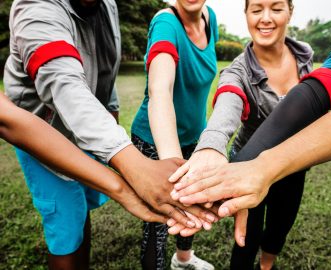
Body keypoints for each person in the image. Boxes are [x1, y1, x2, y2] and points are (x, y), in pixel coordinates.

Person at [4, 0, 217, 268]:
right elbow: (65, 86)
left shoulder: (107, 5)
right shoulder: (36, 7)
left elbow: (105, 68)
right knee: (67, 226)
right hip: (42, 132)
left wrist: (112, 115)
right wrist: (131, 162)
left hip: (90, 130)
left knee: (80, 211)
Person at [170, 18, 331, 270]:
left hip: (292, 166)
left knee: (280, 225)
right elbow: (229, 99)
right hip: (249, 167)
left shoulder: (304, 55)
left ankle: (266, 266)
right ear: (246, 15)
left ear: (290, 12)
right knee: (247, 235)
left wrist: (259, 166)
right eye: (257, 8)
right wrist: (212, 148)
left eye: (276, 7)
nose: (266, 17)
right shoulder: (238, 68)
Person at [130, 1, 218, 269]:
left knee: (191, 208)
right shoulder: (166, 24)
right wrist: (172, 162)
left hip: (193, 139)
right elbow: (160, 89)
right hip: (156, 142)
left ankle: (183, 260)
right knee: (159, 222)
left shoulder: (209, 17)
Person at [0, 92, 166, 223]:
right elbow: (7, 118)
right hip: (39, 140)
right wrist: (124, 184)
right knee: (66, 227)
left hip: (83, 135)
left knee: (80, 211)